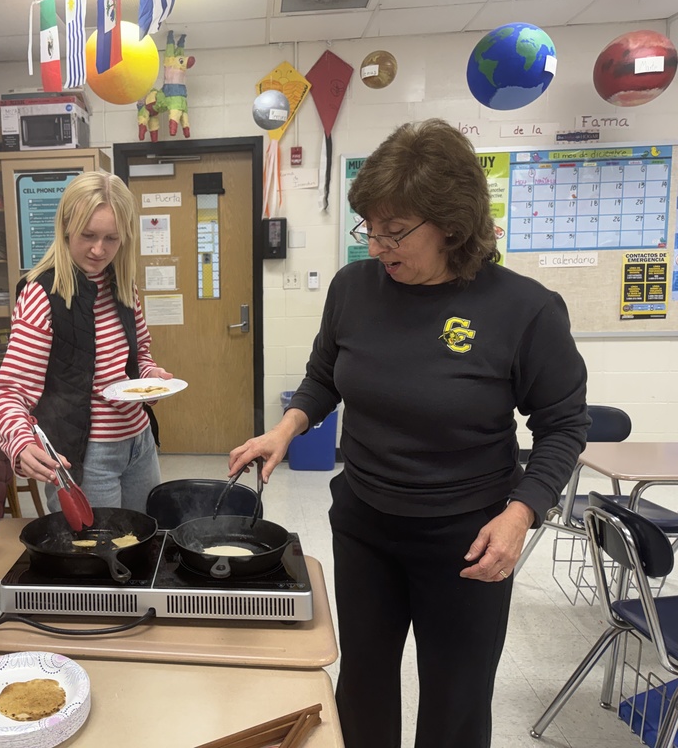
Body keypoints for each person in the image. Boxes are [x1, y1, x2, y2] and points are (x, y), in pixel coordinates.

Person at [228, 119, 589, 748]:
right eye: (369, 228)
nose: (376, 246)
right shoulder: (353, 289)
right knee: (362, 685)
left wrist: (522, 513)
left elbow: (563, 424)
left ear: (451, 223)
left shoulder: (523, 309)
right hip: (366, 523)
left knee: (456, 699)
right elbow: (323, 376)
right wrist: (287, 427)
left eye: (394, 232)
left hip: (469, 538)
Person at [0, 171, 171, 514]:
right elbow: (7, 394)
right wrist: (21, 443)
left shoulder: (122, 284)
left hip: (140, 443)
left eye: (111, 238)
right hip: (86, 455)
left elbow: (140, 355)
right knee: (98, 546)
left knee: (146, 537)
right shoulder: (42, 295)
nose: (99, 250)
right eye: (88, 235)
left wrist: (151, 377)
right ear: (65, 227)